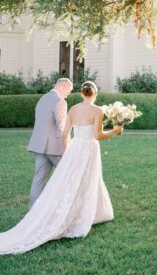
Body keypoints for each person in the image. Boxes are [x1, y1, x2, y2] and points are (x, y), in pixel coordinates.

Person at [0, 81, 122, 255]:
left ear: (81, 93)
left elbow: (65, 134)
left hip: (72, 148)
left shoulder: (70, 108)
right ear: (95, 94)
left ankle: (41, 210)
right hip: (88, 149)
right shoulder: (97, 111)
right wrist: (115, 131)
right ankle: (82, 214)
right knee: (88, 179)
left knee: (60, 180)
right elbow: (97, 135)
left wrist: (68, 153)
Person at [28, 77, 73, 207]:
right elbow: (62, 126)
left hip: (40, 145)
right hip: (54, 147)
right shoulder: (60, 101)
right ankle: (64, 207)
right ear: (63, 86)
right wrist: (68, 145)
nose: (67, 95)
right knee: (69, 174)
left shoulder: (42, 99)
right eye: (68, 91)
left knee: (39, 179)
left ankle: (34, 210)